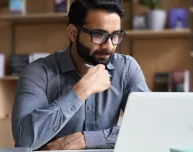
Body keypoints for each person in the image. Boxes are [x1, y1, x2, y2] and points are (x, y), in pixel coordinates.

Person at [11, 0, 150, 150]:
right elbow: (24, 139)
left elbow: (149, 126)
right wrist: (81, 90)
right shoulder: (38, 72)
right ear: (73, 33)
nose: (109, 46)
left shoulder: (126, 68)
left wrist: (85, 139)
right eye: (98, 35)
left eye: (115, 35)